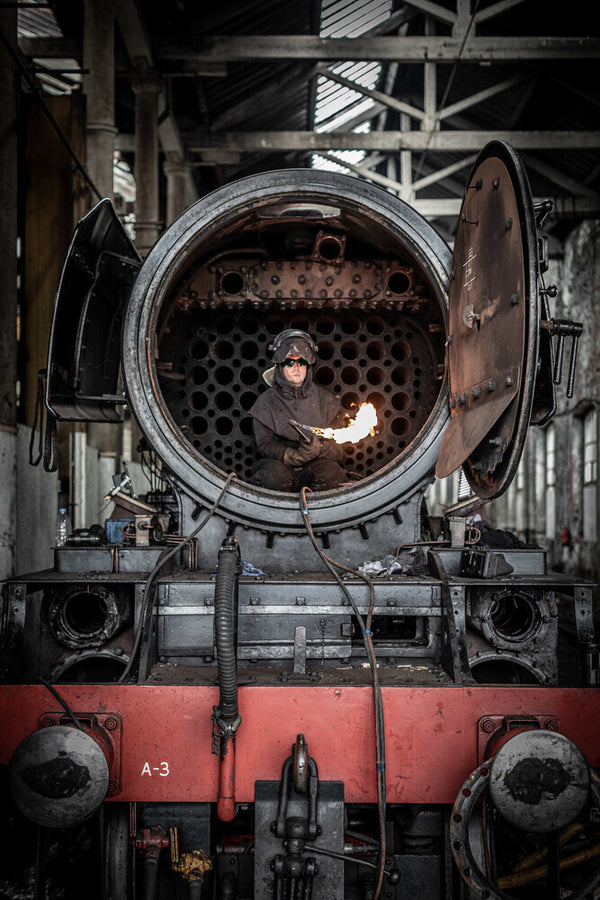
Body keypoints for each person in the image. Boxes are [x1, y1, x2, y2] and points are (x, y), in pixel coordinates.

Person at [249, 329, 348, 491]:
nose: (296, 367)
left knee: (332, 474)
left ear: (308, 366)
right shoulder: (266, 403)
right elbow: (264, 445)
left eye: (301, 362)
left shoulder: (326, 401)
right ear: (280, 367)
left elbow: (340, 451)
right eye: (289, 362)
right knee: (271, 478)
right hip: (281, 465)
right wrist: (291, 456)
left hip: (315, 464)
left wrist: (319, 449)